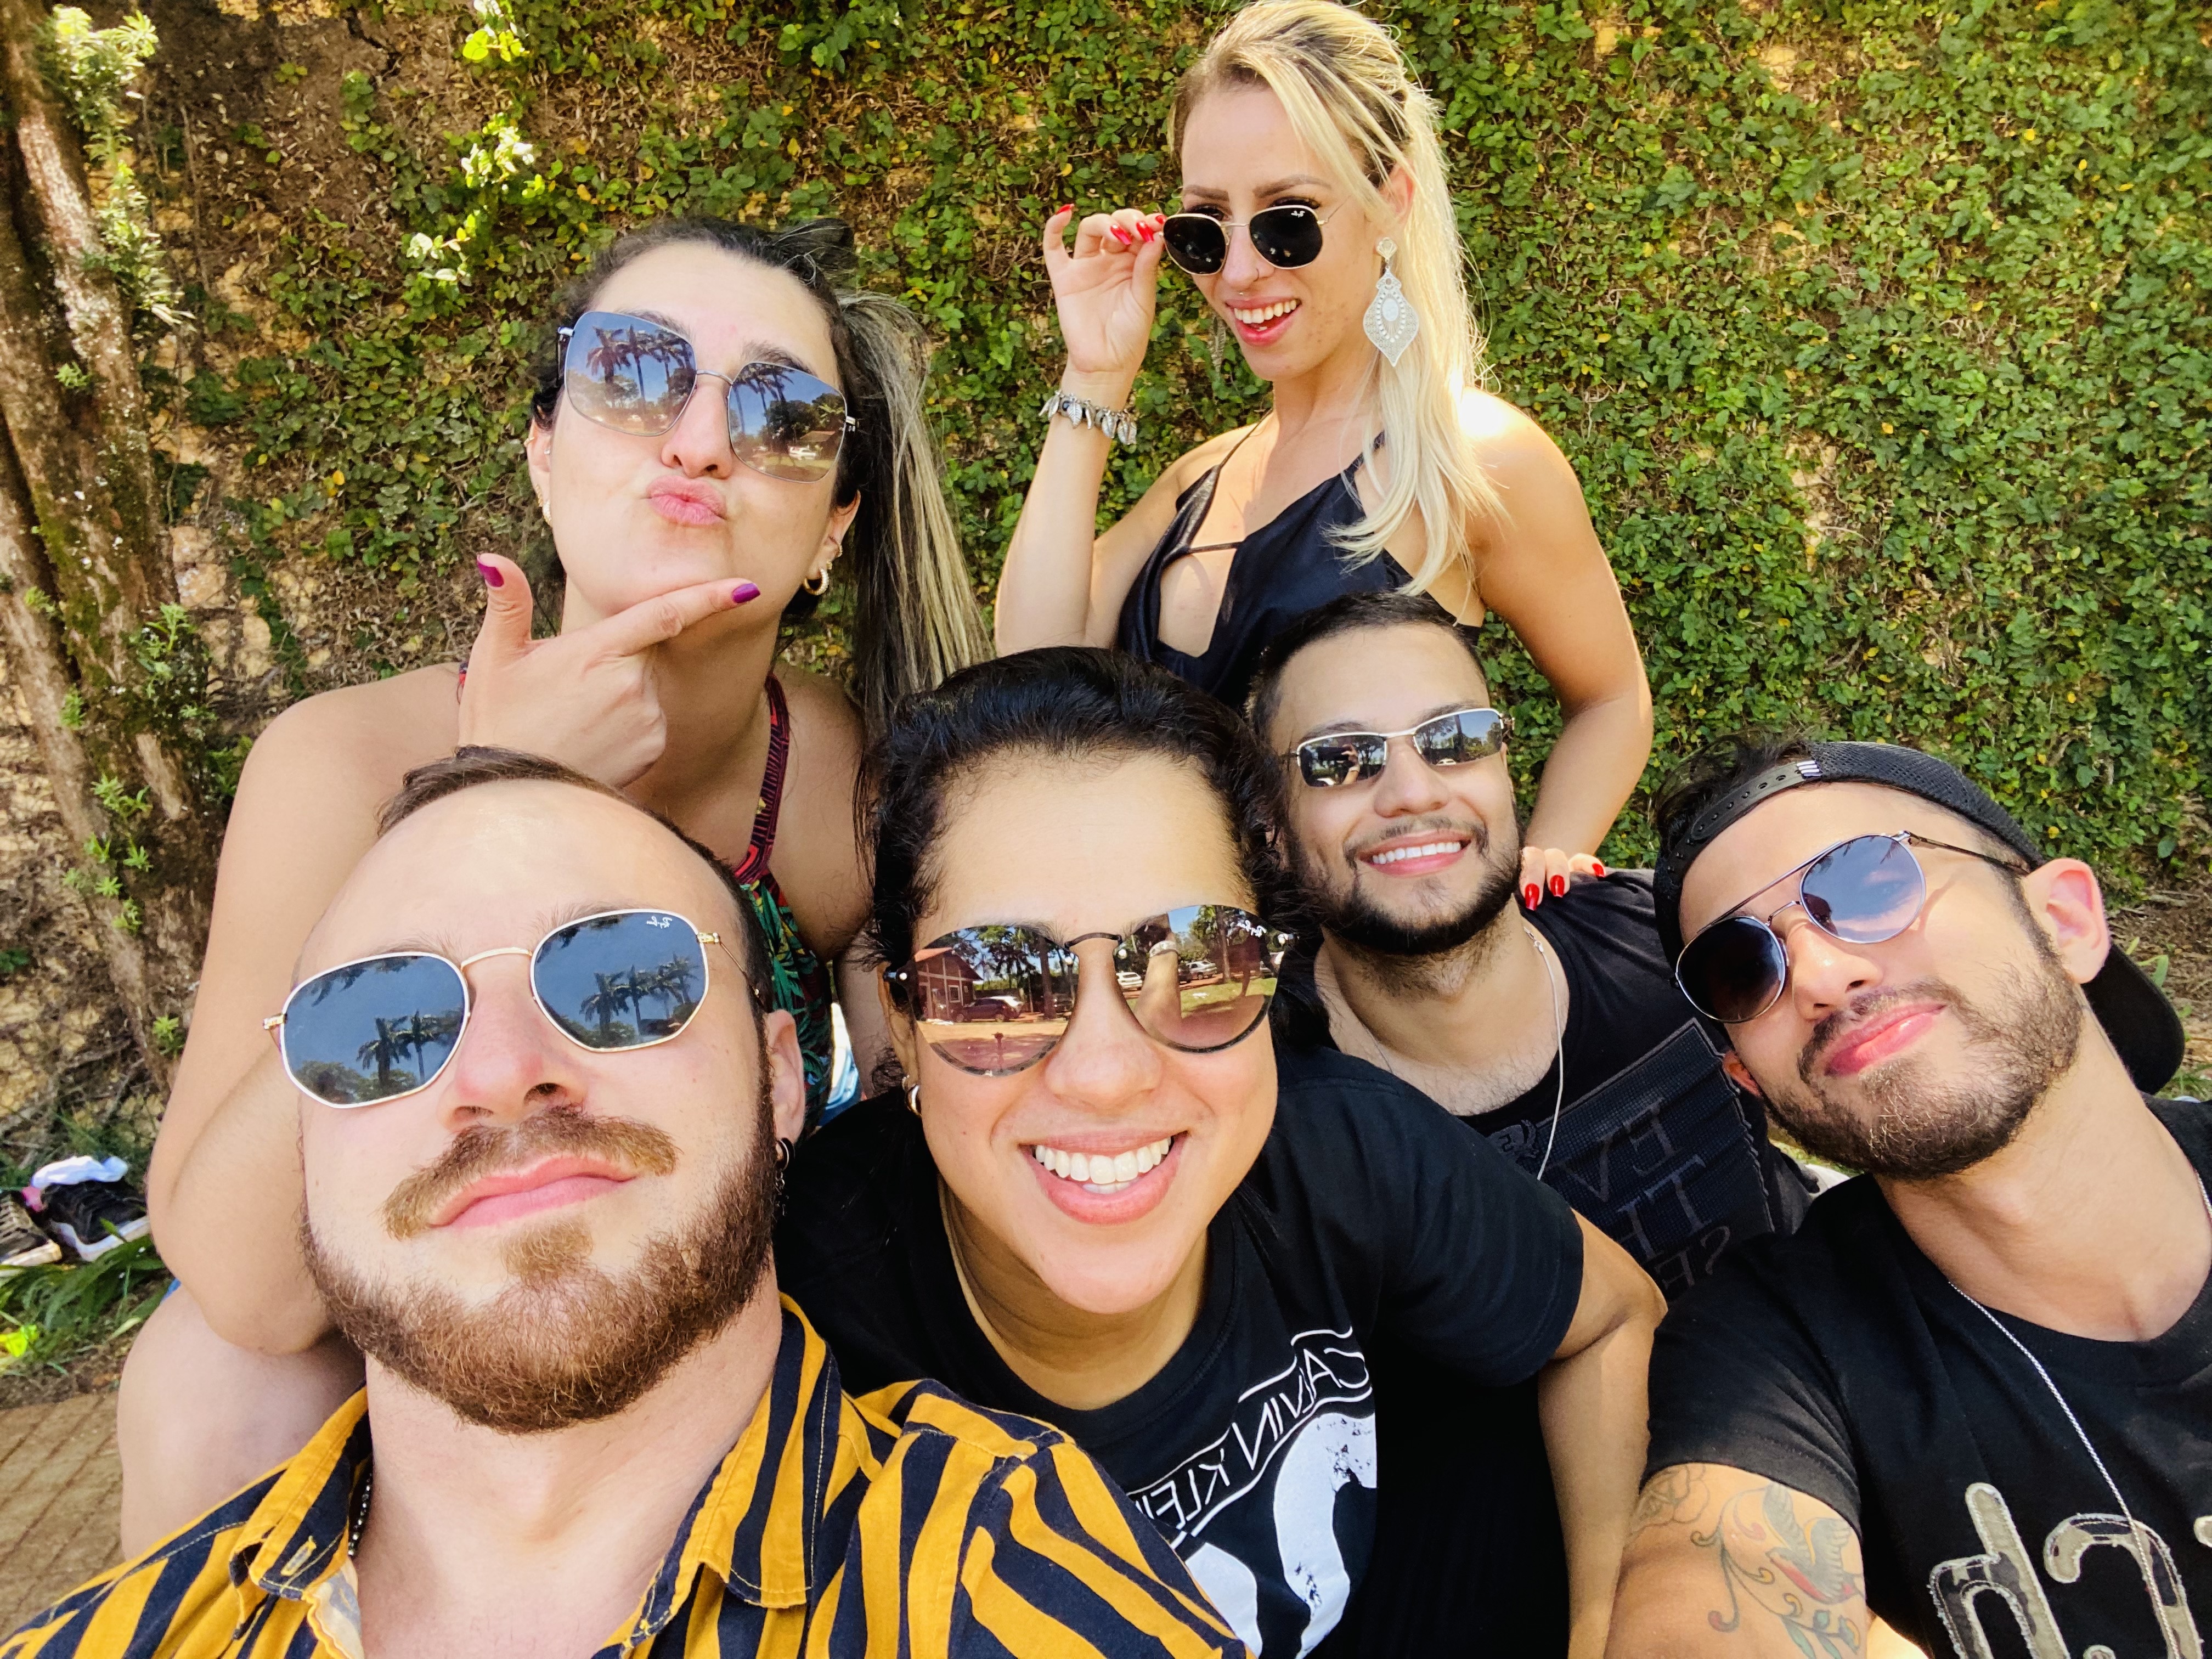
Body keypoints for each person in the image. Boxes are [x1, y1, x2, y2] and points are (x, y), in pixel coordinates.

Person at [122, 216, 988, 1553]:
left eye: (781, 415)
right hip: (446, 1302)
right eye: (632, 373)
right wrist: (495, 790)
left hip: (712, 1291)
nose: (698, 443)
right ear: (543, 449)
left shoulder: (836, 778)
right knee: (210, 1388)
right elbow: (243, 1286)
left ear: (835, 521)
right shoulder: (344, 763)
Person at [10, 751, 1241, 1658]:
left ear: (778, 1079)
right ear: (307, 1136)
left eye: (625, 979)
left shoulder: (1014, 1591)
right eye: (384, 1024)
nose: (502, 1073)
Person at [776, 648, 1665, 1659]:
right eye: (995, 982)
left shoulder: (1339, 1149)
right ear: (901, 1018)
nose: (1105, 1073)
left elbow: (1609, 1319)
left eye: (1198, 960)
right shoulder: (798, 1332)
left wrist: (1608, 1626)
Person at [994, 0, 1651, 902]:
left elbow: (1612, 698)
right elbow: (1029, 668)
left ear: (1390, 202)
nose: (1240, 272)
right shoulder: (1201, 479)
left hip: (1375, 973)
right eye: (1204, 229)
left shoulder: (1470, 458)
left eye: (1288, 220)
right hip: (1193, 970)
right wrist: (1095, 377)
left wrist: (1545, 865)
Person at [1606, 738, 2197, 1659]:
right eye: (1741, 968)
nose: (1818, 976)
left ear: (2065, 919)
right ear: (1747, 1078)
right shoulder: (1768, 1356)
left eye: (1869, 881)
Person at [1247, 590, 1809, 1297]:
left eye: (1456, 738)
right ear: (1272, 825)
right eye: (1340, 759)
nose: (1414, 793)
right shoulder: (1265, 1113)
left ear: (1503, 766)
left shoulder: (1670, 937)